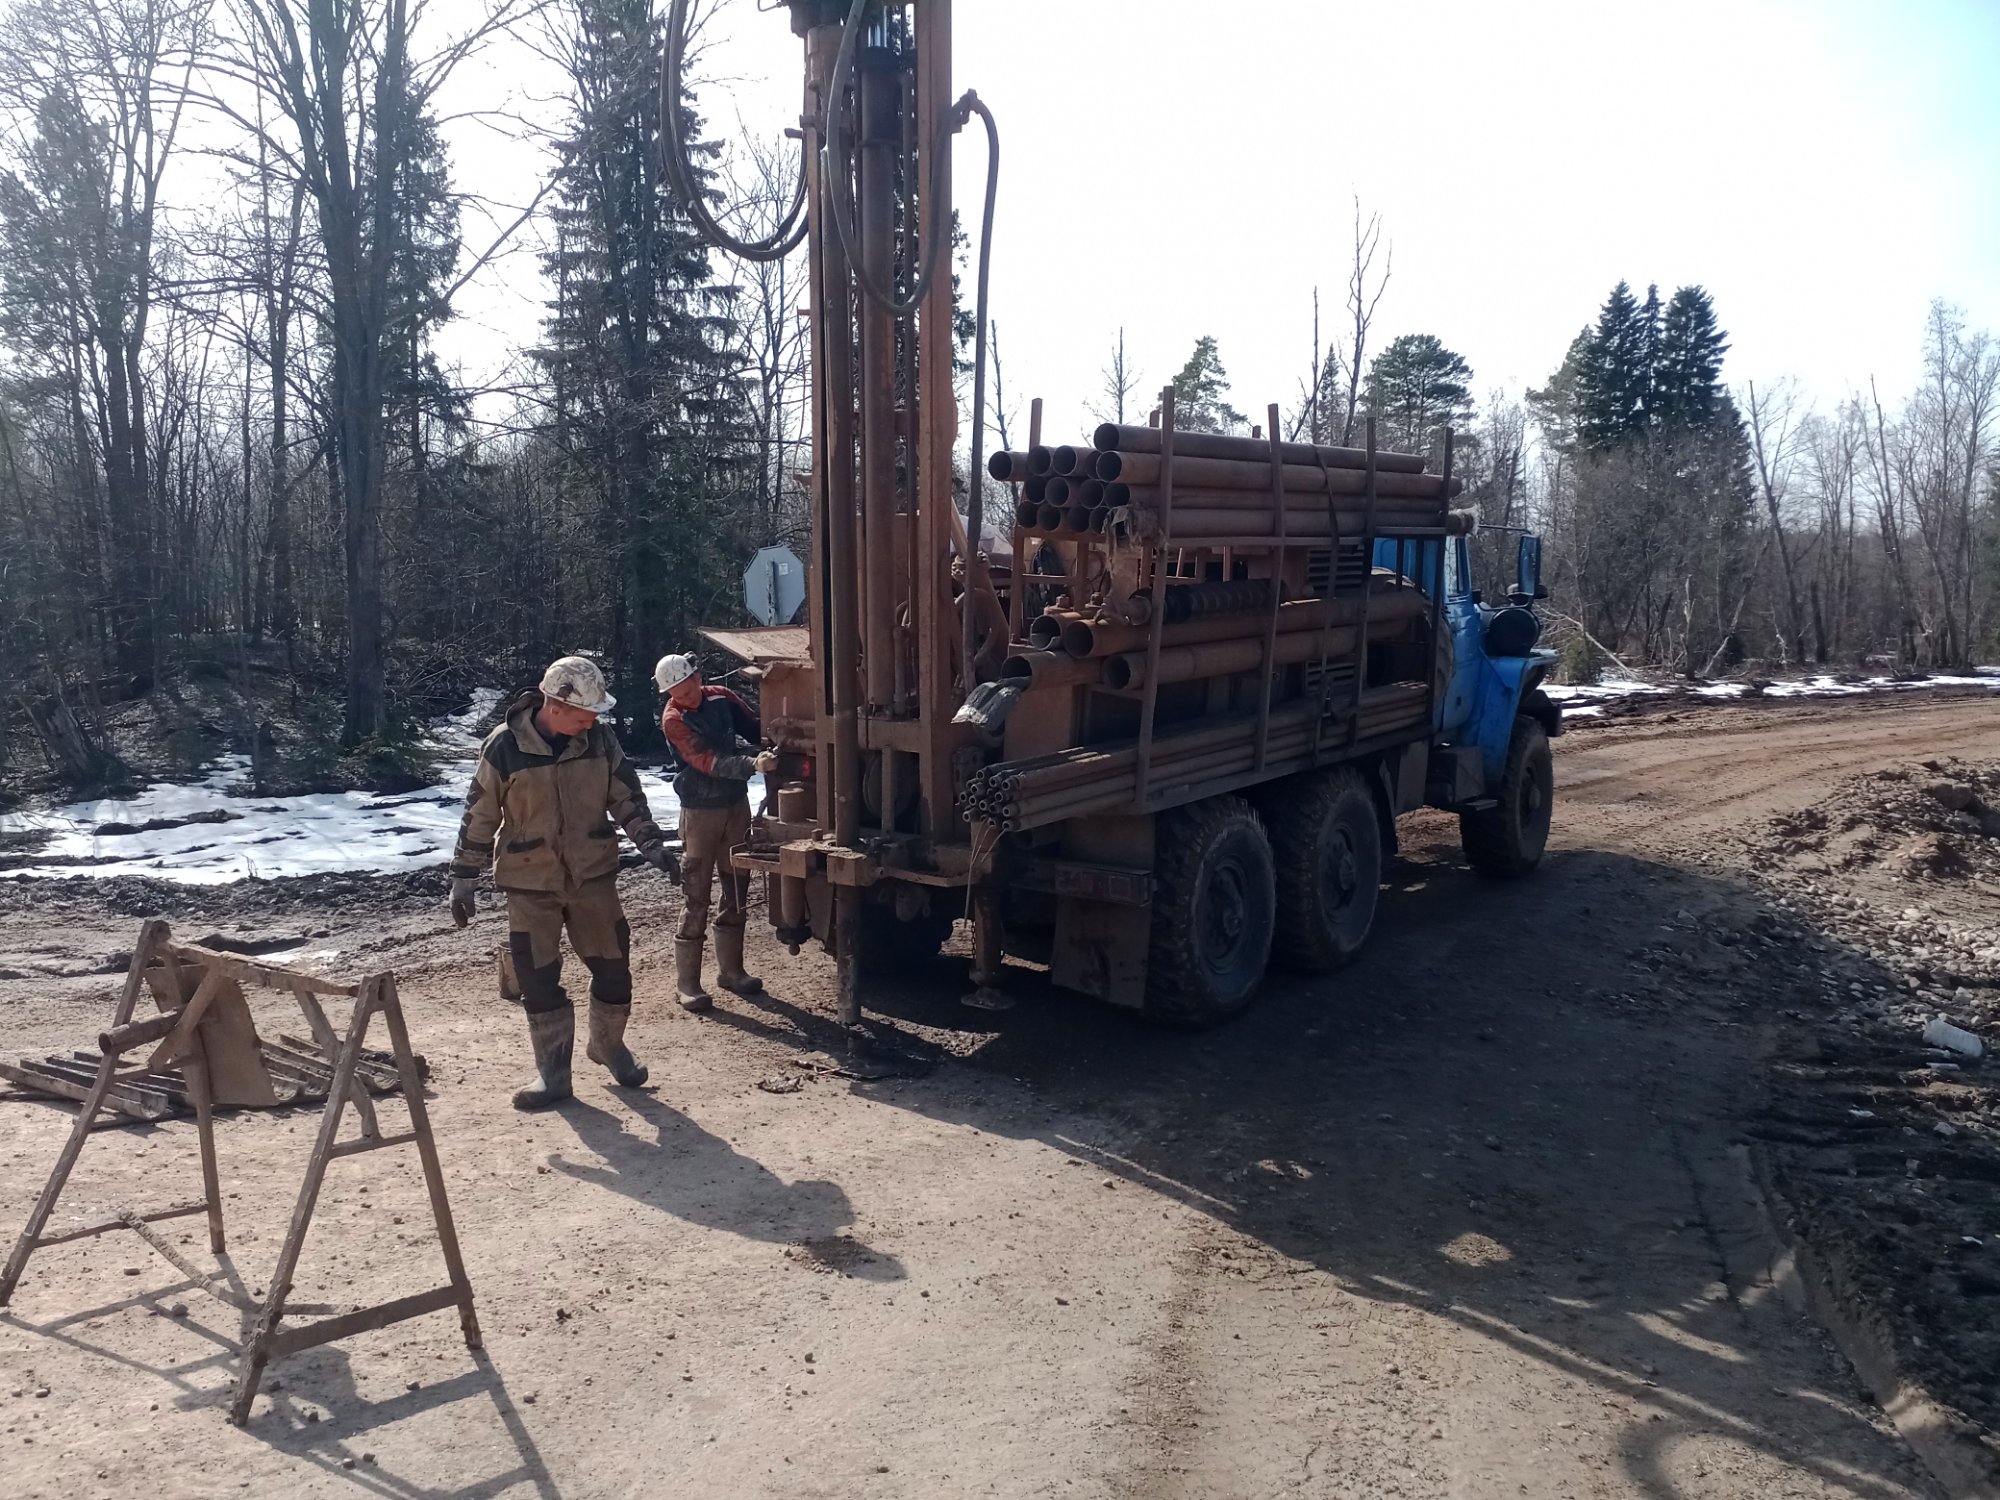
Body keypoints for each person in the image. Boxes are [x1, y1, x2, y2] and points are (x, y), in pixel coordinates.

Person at [449, 656, 678, 1110]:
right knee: (537, 978)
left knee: (614, 969)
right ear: (554, 706)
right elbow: (480, 813)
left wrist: (651, 844)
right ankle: (553, 1075)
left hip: (593, 876)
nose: (592, 720)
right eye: (584, 713)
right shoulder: (505, 746)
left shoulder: (599, 739)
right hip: (530, 881)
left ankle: (608, 1045)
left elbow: (626, 797)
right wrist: (463, 875)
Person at [655, 652, 776, 1012]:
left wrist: (775, 735)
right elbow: (706, 761)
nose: (685, 696)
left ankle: (731, 971)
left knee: (737, 888)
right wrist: (753, 764)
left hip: (735, 805)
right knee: (696, 895)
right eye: (676, 693)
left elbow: (755, 727)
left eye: (688, 687)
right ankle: (688, 983)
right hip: (699, 813)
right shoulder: (674, 720)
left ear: (698, 678)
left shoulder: (723, 697)